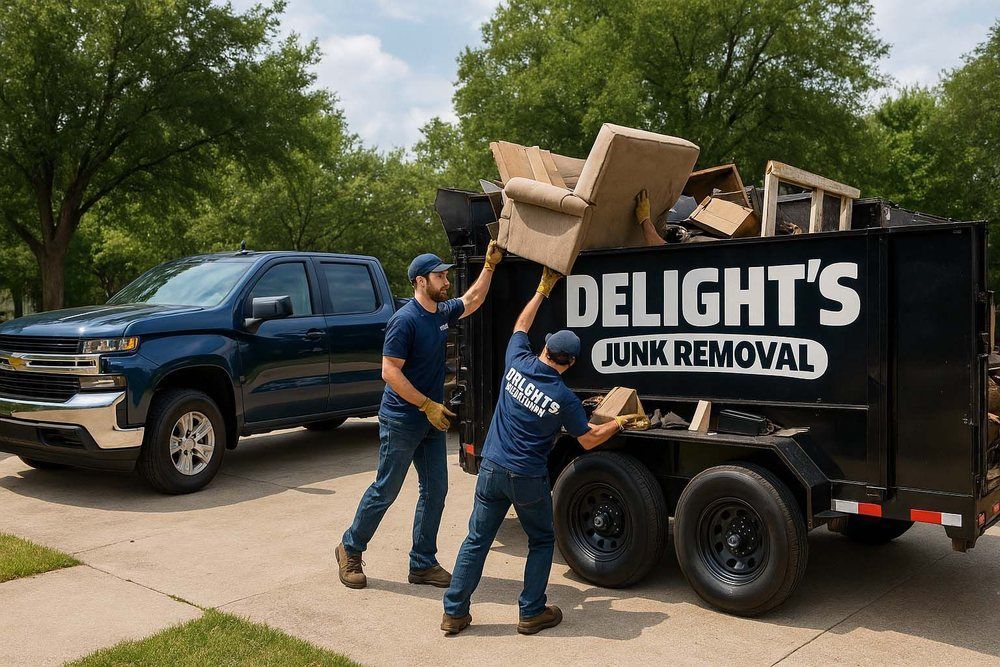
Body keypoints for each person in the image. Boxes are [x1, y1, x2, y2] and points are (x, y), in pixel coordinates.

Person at [440, 266, 648, 636]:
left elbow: (520, 325)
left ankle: (454, 612)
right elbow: (587, 439)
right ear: (569, 363)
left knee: (476, 540)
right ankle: (531, 611)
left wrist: (542, 290)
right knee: (541, 540)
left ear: (545, 348)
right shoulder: (564, 397)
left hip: (491, 467)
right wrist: (621, 422)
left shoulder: (516, 362)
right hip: (526, 477)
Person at [336, 242, 504, 590]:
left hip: (430, 418)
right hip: (402, 419)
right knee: (387, 488)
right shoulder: (405, 321)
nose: (446, 281)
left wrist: (489, 266)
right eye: (439, 276)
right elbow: (389, 372)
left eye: (445, 275)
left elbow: (472, 300)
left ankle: (422, 563)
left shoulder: (440, 313)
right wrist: (426, 404)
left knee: (436, 489)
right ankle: (349, 548)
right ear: (419, 281)